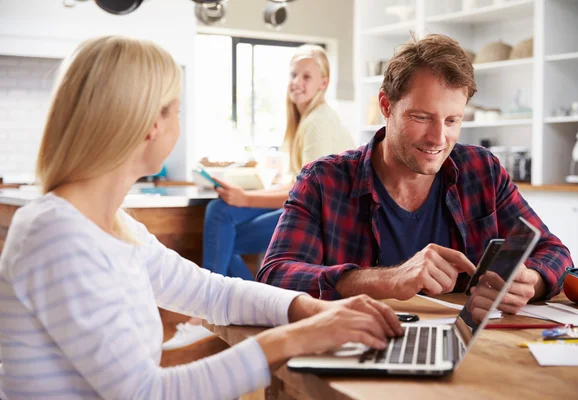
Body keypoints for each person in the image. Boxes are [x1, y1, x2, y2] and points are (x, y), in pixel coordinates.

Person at [0, 36, 402, 400]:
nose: (179, 120)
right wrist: (299, 337)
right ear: (150, 125)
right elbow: (146, 393)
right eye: (176, 109)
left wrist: (312, 308)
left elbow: (214, 293)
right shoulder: (56, 235)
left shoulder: (114, 227)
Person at [257, 33, 573, 315]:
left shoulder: (482, 171)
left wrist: (533, 280)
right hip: (356, 353)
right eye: (422, 117)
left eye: (452, 121)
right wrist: (387, 279)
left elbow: (554, 252)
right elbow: (275, 277)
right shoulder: (323, 181)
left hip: (469, 356)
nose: (438, 139)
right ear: (386, 104)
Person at [163, 44, 356, 350]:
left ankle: (205, 312)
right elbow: (299, 180)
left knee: (223, 225)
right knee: (222, 221)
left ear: (324, 83)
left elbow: (307, 192)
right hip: (312, 209)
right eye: (294, 74)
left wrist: (246, 198)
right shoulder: (305, 120)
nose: (297, 81)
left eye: (307, 76)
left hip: (322, 220)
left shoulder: (318, 122)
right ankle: (252, 307)